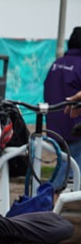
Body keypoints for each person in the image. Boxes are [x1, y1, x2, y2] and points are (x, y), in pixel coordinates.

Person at [44, 26, 81, 188]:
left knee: (66, 163)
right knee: (70, 166)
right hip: (75, 127)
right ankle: (48, 197)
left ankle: (50, 195)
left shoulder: (57, 63)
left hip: (56, 126)